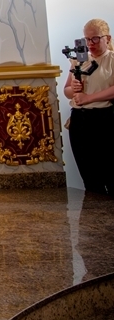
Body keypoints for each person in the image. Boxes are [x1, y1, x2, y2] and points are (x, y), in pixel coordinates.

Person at [64, 18, 114, 195]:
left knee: (111, 174)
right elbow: (67, 91)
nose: (90, 43)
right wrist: (75, 89)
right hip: (80, 122)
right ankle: (92, 221)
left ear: (106, 38)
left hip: (106, 120)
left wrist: (89, 97)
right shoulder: (79, 60)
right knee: (91, 179)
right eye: (87, 39)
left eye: (95, 39)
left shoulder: (112, 60)